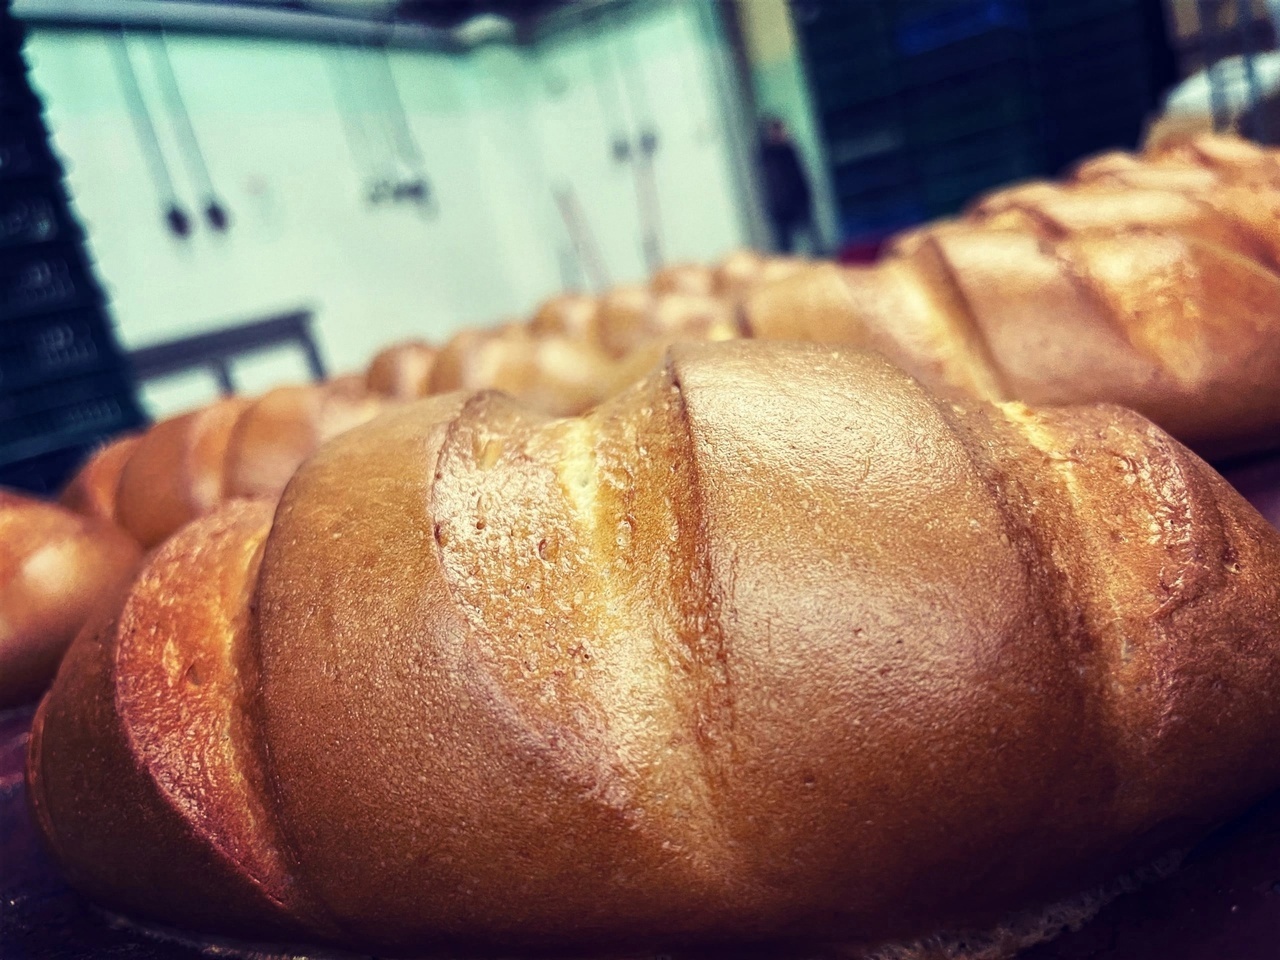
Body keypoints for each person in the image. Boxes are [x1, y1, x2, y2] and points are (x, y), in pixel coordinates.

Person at [758, 116, 815, 254]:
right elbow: (775, 183)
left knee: (810, 238)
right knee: (787, 246)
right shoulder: (768, 155)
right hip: (782, 206)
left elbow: (799, 174)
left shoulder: (788, 150)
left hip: (798, 200)